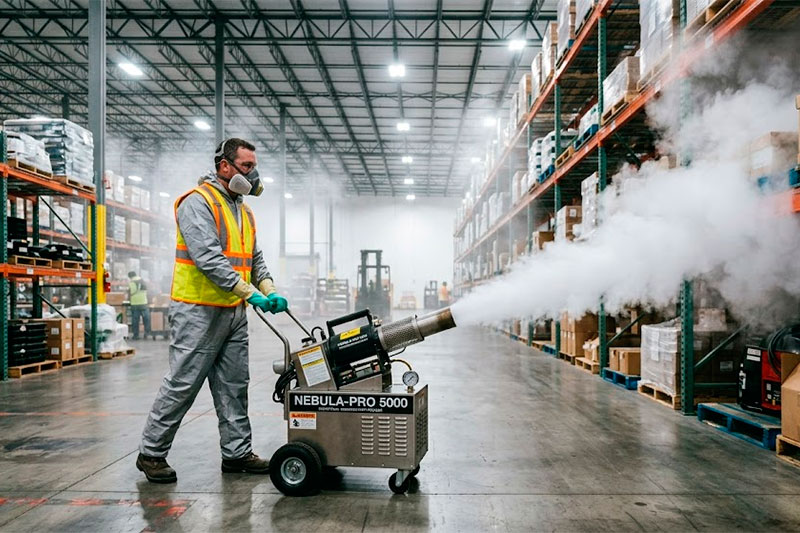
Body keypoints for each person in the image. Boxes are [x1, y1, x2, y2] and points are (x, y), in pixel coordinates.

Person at [136, 138, 289, 484]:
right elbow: (208, 258)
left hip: (233, 311)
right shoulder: (197, 203)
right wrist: (252, 294)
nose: (253, 174)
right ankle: (151, 453)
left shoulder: (243, 210)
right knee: (183, 384)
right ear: (225, 166)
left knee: (235, 385)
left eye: (253, 166)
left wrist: (270, 290)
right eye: (247, 167)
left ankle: (237, 454)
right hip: (198, 311)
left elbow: (254, 260)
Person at [128, 271, 150, 340]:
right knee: (146, 319)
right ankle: (146, 333)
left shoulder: (132, 282)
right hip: (144, 303)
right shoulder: (143, 281)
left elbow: (131, 292)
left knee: (135, 320)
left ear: (130, 276)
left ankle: (136, 335)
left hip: (135, 303)